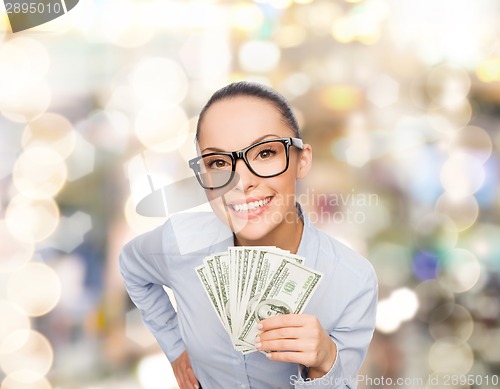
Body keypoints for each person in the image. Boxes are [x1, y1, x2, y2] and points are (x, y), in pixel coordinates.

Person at [119, 81, 378, 389]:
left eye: (265, 153)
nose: (242, 183)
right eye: (218, 162)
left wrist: (324, 363)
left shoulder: (353, 281)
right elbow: (131, 265)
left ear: (302, 161)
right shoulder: (180, 241)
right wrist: (175, 347)